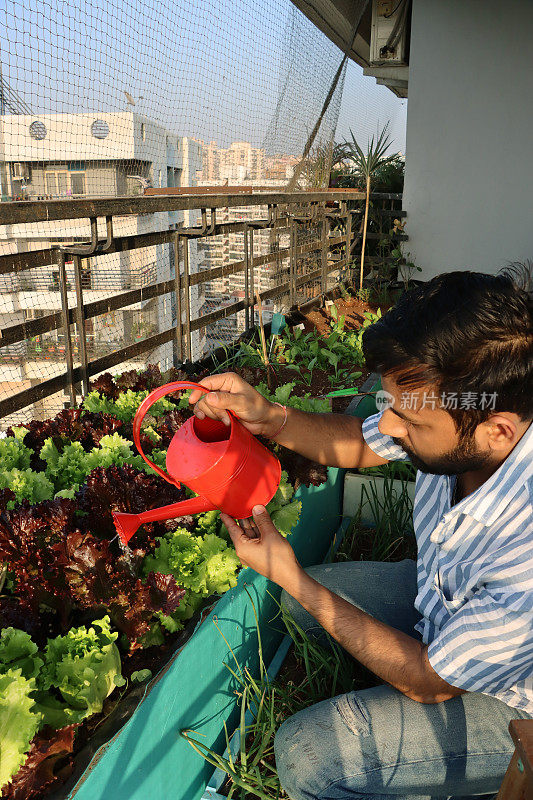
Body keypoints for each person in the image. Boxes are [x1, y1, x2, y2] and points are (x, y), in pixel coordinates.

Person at [189, 268, 533, 800]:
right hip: (447, 604)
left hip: (516, 708)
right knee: (301, 607)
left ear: (500, 430)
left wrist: (293, 576)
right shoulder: (460, 415)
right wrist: (268, 416)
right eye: (392, 406)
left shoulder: (526, 553)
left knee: (309, 756)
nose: (392, 428)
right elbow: (360, 440)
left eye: (411, 423)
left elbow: (429, 682)